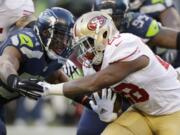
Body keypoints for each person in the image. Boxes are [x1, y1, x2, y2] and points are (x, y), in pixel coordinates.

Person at [39, 11, 180, 135]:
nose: (83, 50)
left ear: (104, 35)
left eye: (87, 43)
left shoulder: (125, 44)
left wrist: (48, 89)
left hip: (174, 110)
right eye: (80, 46)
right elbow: (116, 101)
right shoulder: (92, 64)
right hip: (142, 112)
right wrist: (107, 112)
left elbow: (97, 81)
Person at [75, 0, 180, 134]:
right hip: (115, 91)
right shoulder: (88, 36)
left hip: (149, 91)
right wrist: (104, 109)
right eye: (101, 20)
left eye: (114, 19)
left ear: (125, 17)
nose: (106, 26)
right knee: (87, 132)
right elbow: (92, 84)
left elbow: (175, 36)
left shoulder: (138, 24)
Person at [0, 7, 75, 134]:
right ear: (45, 32)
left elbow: (60, 80)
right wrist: (16, 82)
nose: (63, 43)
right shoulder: (28, 41)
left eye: (66, 38)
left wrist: (88, 102)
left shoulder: (53, 59)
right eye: (59, 36)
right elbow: (5, 63)